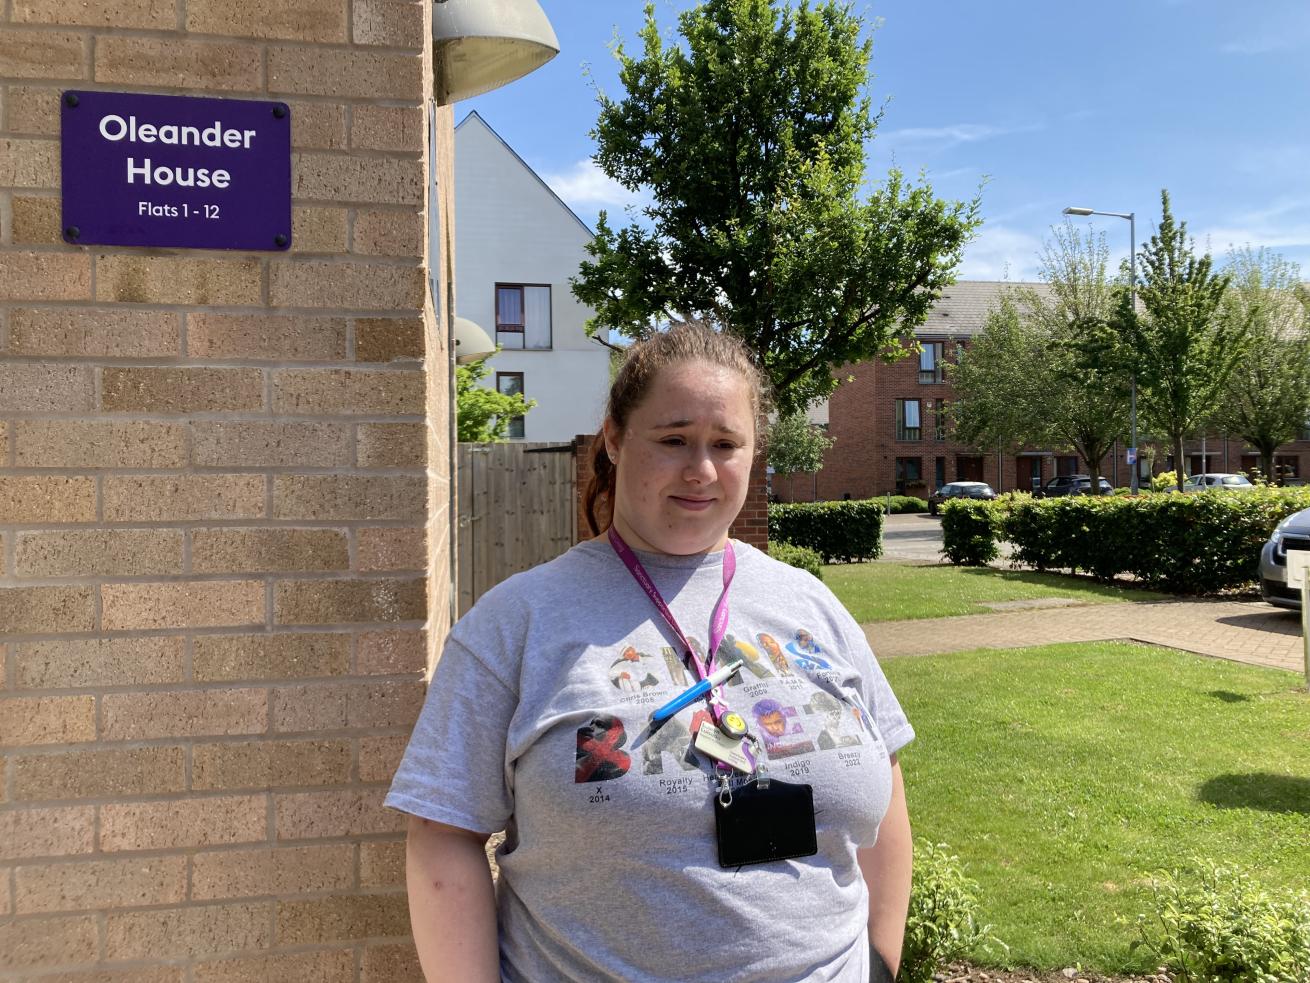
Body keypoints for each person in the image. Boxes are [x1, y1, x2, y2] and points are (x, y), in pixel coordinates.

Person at [387, 322, 914, 982]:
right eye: (673, 440)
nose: (701, 469)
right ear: (614, 438)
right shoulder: (517, 623)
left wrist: (881, 962)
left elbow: (884, 778)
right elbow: (444, 833)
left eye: (726, 444)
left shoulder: (810, 605)